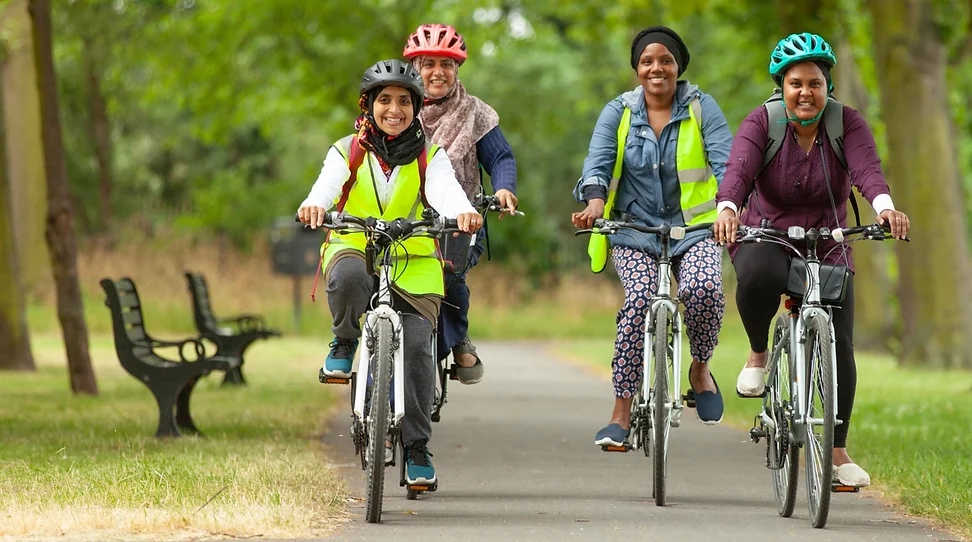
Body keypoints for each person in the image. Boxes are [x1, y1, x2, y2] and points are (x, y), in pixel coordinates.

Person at [713, 32, 911, 488]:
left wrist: (885, 209)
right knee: (758, 275)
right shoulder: (763, 122)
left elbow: (867, 172)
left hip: (829, 237)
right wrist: (727, 210)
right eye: (797, 83)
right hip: (768, 232)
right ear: (782, 86)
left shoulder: (847, 124)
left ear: (828, 86)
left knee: (840, 342)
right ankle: (760, 353)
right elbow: (738, 172)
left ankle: (838, 452)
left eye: (816, 83)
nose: (806, 92)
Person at [297, 59, 483, 486]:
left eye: (404, 101)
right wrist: (315, 206)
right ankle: (344, 341)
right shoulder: (347, 149)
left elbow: (446, 190)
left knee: (418, 348)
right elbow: (326, 185)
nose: (394, 109)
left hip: (412, 256)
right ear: (368, 105)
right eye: (384, 100)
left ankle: (416, 448)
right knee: (346, 279)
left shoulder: (429, 155)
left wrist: (463, 213)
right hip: (354, 241)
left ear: (417, 108)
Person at [571, 25, 733, 447]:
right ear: (637, 68)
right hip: (634, 229)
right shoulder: (619, 111)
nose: (656, 68)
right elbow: (598, 164)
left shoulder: (701, 107)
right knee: (638, 300)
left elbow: (726, 163)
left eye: (666, 60)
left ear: (678, 67)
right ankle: (621, 413)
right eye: (647, 61)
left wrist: (732, 206)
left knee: (703, 290)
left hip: (696, 228)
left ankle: (699, 370)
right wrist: (593, 202)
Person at [402, 23, 519, 385]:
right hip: (402, 218)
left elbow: (501, 159)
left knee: (449, 273)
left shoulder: (476, 113)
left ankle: (458, 337)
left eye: (447, 64)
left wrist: (504, 189)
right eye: (429, 64)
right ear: (416, 68)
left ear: (457, 69)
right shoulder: (399, 108)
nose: (438, 72)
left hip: (459, 219)